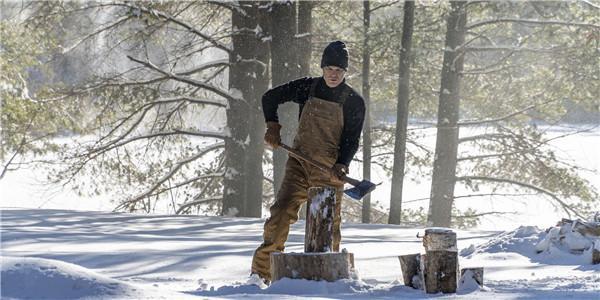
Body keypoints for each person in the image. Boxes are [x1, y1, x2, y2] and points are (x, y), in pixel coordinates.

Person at [251, 40, 365, 283]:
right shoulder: (307, 87)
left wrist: (342, 164)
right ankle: (261, 274)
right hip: (299, 166)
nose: (333, 75)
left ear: (345, 72)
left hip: (329, 172)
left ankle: (332, 279)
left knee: (327, 228)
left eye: (339, 70)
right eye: (329, 69)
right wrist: (272, 124)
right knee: (280, 214)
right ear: (322, 68)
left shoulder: (354, 101)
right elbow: (269, 98)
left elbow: (351, 139)